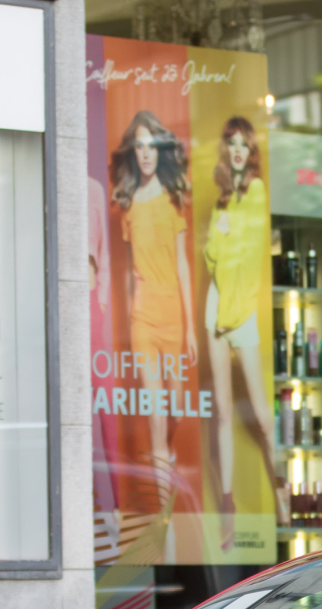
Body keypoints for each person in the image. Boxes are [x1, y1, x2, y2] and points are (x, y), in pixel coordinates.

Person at [108, 110, 194, 523]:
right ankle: (163, 518)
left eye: (151, 146)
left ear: (160, 151)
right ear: (134, 152)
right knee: (156, 415)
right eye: (138, 146)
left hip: (172, 314)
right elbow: (126, 272)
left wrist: (192, 328)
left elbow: (182, 266)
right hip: (143, 316)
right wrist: (127, 323)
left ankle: (168, 458)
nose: (145, 154)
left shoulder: (172, 199)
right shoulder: (128, 206)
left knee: (176, 409)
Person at [200, 115, 274, 553]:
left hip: (239, 306)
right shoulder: (223, 198)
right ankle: (227, 502)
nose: (238, 149)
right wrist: (223, 237)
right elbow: (212, 254)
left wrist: (232, 312)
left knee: (261, 413)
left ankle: (281, 489)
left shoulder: (257, 192)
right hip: (217, 302)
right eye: (232, 142)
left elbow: (245, 256)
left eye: (244, 142)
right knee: (223, 412)